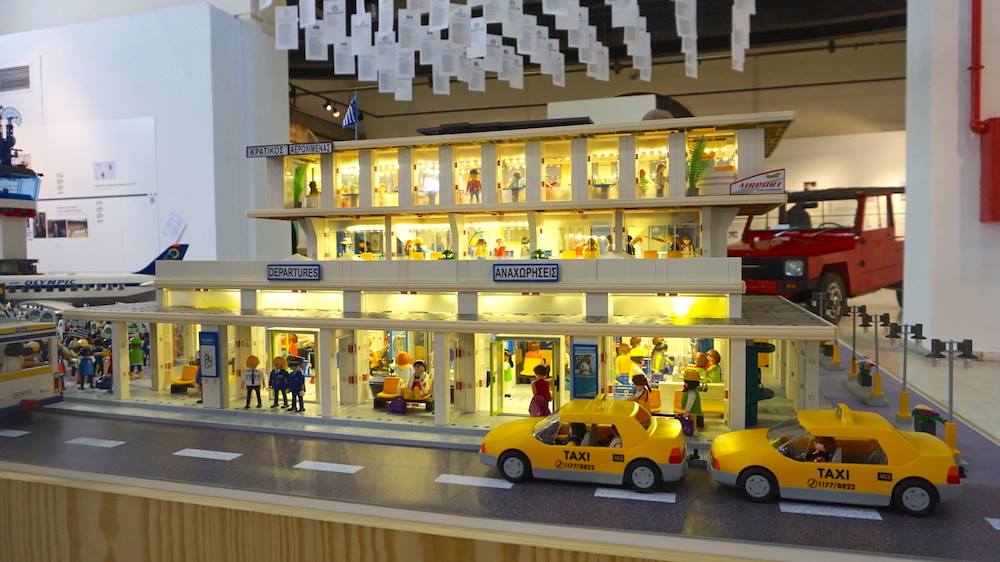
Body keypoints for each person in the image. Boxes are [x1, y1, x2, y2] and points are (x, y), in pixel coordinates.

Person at [680, 367, 703, 435]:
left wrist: (687, 411)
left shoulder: (692, 392)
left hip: (692, 410)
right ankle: (693, 430)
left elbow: (690, 402)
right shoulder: (691, 391)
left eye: (686, 383)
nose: (685, 384)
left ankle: (693, 431)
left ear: (691, 384)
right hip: (691, 410)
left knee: (692, 421)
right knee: (691, 420)